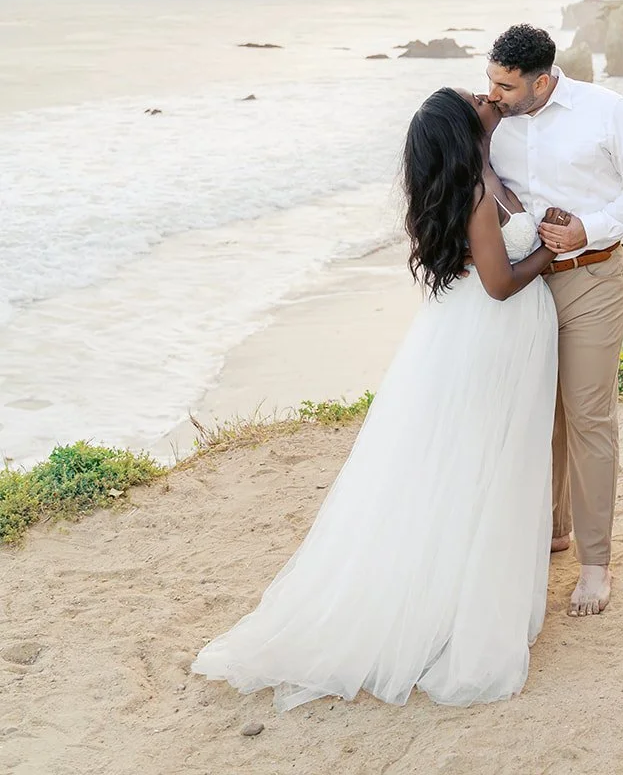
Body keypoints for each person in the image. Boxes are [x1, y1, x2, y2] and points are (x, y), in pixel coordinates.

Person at [191, 87, 559, 709]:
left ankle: (467, 586)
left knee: (486, 464)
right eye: (473, 98)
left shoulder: (483, 171)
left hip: (492, 339)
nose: (482, 94)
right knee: (478, 467)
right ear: (461, 128)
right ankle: (454, 605)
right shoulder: (472, 192)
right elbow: (498, 284)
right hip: (490, 335)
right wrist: (552, 251)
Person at [486, 24, 623, 618]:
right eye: (490, 79)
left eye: (506, 85)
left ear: (542, 82)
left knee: (589, 415)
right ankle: (555, 529)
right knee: (544, 409)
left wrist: (588, 228)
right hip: (526, 286)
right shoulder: (492, 119)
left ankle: (595, 564)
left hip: (592, 279)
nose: (493, 93)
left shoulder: (604, 110)